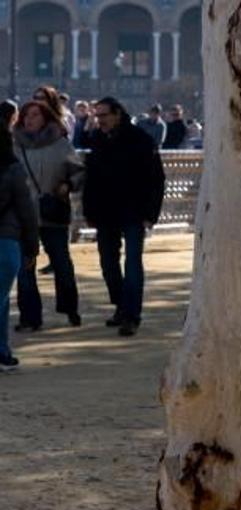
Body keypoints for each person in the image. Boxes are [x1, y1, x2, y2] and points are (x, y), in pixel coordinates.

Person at [83, 97, 166, 337]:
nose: (100, 121)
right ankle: (121, 305)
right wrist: (90, 211)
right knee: (108, 265)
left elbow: (156, 179)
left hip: (134, 211)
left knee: (132, 264)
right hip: (105, 212)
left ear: (118, 113)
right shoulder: (98, 139)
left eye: (104, 115)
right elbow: (92, 179)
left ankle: (131, 315)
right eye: (97, 116)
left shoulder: (141, 140)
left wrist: (151, 213)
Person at [12, 101, 85, 331]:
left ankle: (70, 308)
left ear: (46, 118)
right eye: (26, 115)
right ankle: (30, 317)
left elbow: (79, 172)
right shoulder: (14, 146)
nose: (29, 119)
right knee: (25, 268)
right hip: (23, 216)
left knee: (62, 263)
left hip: (53, 212)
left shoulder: (60, 144)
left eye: (35, 115)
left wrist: (68, 184)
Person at [0, 121, 40, 371]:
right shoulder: (14, 170)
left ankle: (3, 350)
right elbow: (27, 212)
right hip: (7, 240)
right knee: (2, 298)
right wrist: (32, 246)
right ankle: (2, 352)